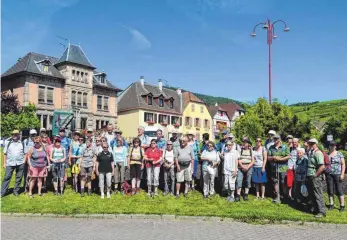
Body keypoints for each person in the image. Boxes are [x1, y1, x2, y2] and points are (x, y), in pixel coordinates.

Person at [1, 130, 26, 197]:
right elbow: (5, 154)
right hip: (10, 163)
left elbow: (25, 153)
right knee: (7, 177)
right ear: (12, 135)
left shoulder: (22, 143)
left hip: (20, 163)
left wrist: (24, 161)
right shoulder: (8, 143)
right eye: (13, 134)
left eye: (16, 134)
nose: (14, 135)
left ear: (18, 135)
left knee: (19, 178)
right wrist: (4, 163)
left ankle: (16, 191)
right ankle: (2, 192)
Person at [267, 134, 290, 203]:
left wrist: (280, 159)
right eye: (274, 139)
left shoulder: (285, 146)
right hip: (274, 168)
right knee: (275, 182)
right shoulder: (271, 147)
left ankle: (284, 196)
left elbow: (288, 156)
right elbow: (268, 157)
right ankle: (277, 196)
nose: (275, 140)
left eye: (276, 139)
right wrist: (273, 157)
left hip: (283, 168)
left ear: (279, 139)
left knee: (283, 182)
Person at [306, 138, 326, 218]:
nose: (310, 145)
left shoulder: (318, 153)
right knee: (312, 194)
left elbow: (322, 166)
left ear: (316, 144)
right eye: (310, 143)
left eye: (312, 143)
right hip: (310, 176)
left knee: (318, 194)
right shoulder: (311, 152)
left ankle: (321, 211)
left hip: (315, 177)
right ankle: (316, 209)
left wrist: (315, 175)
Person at [326, 141, 345, 212]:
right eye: (331, 145)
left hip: (337, 174)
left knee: (339, 190)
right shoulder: (327, 154)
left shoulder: (339, 154)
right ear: (329, 146)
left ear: (335, 146)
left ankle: (342, 206)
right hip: (329, 174)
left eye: (333, 145)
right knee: (330, 190)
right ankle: (331, 204)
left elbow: (343, 164)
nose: (332, 146)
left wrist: (342, 174)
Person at [236, 137, 254, 201]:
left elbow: (253, 161)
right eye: (243, 142)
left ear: (248, 144)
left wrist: (248, 167)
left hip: (249, 167)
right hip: (241, 167)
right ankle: (238, 195)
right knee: (239, 180)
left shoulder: (251, 151)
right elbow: (238, 160)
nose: (244, 143)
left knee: (248, 180)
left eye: (245, 142)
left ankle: (246, 194)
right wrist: (242, 166)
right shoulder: (240, 150)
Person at [23, 129, 37, 193]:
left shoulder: (37, 141)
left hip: (35, 161)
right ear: (30, 135)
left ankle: (33, 188)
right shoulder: (26, 141)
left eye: (34, 134)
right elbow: (25, 152)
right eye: (32, 135)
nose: (33, 136)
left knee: (34, 175)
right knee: (26, 175)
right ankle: (25, 188)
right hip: (27, 160)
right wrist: (25, 161)